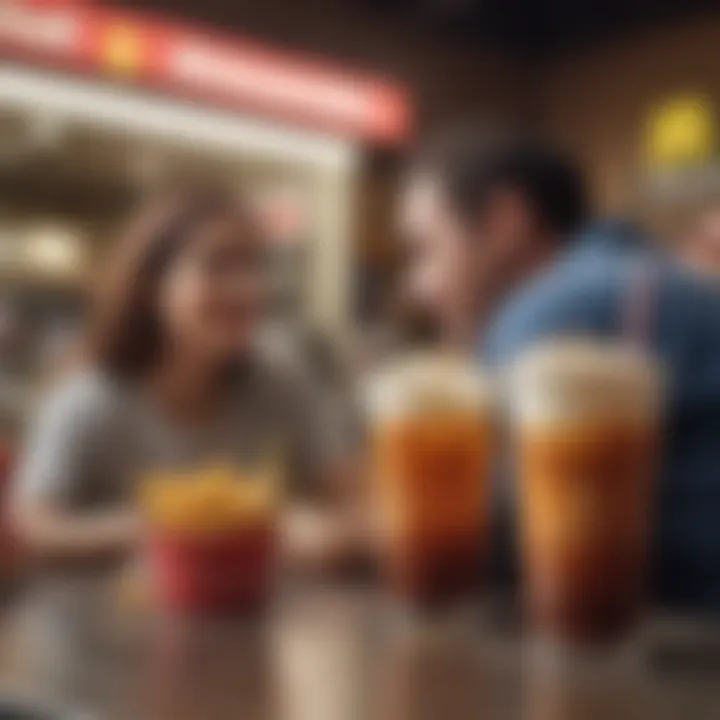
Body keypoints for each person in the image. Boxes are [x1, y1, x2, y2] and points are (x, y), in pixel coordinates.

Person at [399, 126, 720, 610]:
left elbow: (471, 531)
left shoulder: (553, 310)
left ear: (507, 220)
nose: (418, 287)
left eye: (427, 248)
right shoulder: (643, 275)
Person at [12, 185, 361, 569]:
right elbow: (33, 528)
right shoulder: (90, 401)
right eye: (217, 265)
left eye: (253, 266)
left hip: (259, 615)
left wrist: (329, 533)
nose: (246, 288)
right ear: (152, 287)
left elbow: (352, 499)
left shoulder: (280, 380)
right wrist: (165, 527)